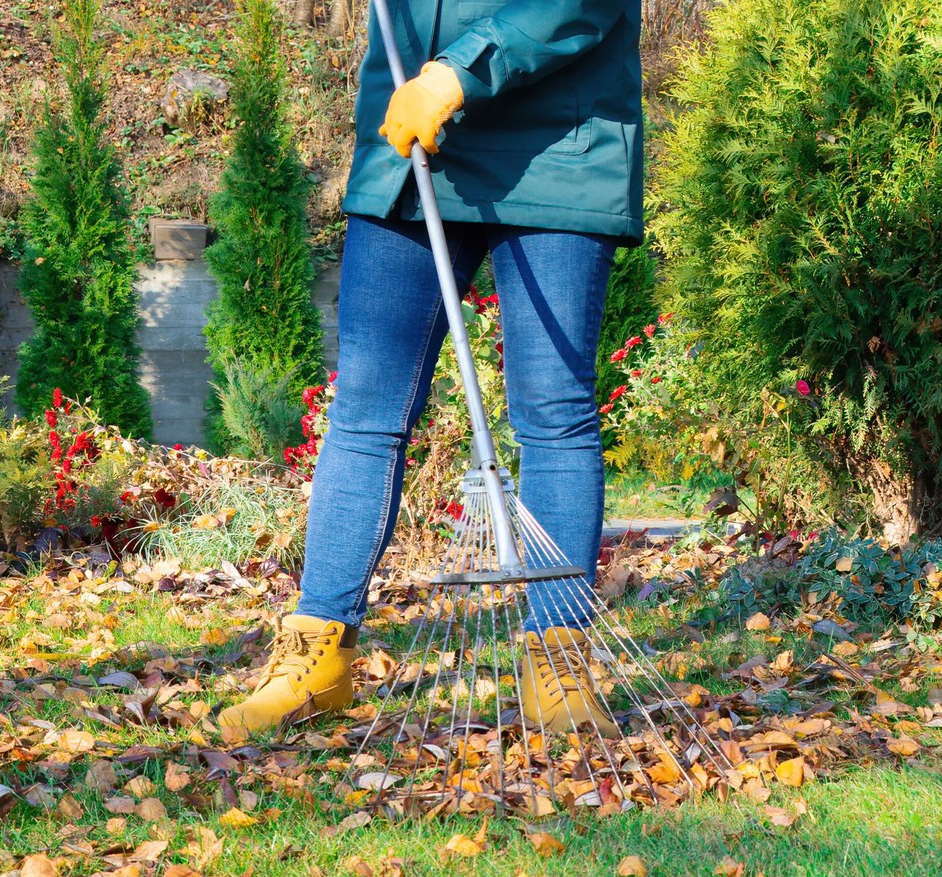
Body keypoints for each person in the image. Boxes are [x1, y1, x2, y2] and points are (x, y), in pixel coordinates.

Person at [218, 0, 641, 743]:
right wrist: (432, 84)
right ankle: (318, 654)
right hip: (413, 141)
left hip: (559, 147)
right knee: (367, 409)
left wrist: (461, 71)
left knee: (553, 411)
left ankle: (559, 656)